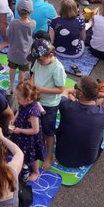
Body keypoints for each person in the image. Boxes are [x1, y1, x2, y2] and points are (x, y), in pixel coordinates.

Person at [55, 76, 104, 169]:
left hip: (62, 156)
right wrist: (96, 95)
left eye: (75, 86)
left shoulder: (66, 106)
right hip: (89, 159)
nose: (74, 88)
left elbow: (65, 91)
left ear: (81, 94)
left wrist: (73, 93)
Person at [30, 37, 67, 170]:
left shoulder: (57, 68)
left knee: (49, 130)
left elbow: (60, 89)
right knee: (37, 126)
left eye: (40, 59)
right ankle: (40, 145)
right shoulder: (38, 61)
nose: (38, 62)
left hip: (50, 105)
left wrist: (40, 89)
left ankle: (49, 155)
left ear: (51, 55)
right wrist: (32, 85)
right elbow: (33, 73)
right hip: (37, 101)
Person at [9, 80, 46, 181]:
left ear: (29, 98)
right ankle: (22, 163)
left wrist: (20, 130)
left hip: (30, 138)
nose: (17, 99)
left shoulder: (33, 111)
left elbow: (35, 130)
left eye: (19, 98)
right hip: (20, 133)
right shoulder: (23, 103)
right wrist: (14, 119)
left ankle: (35, 171)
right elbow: (19, 111)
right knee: (20, 149)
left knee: (32, 155)